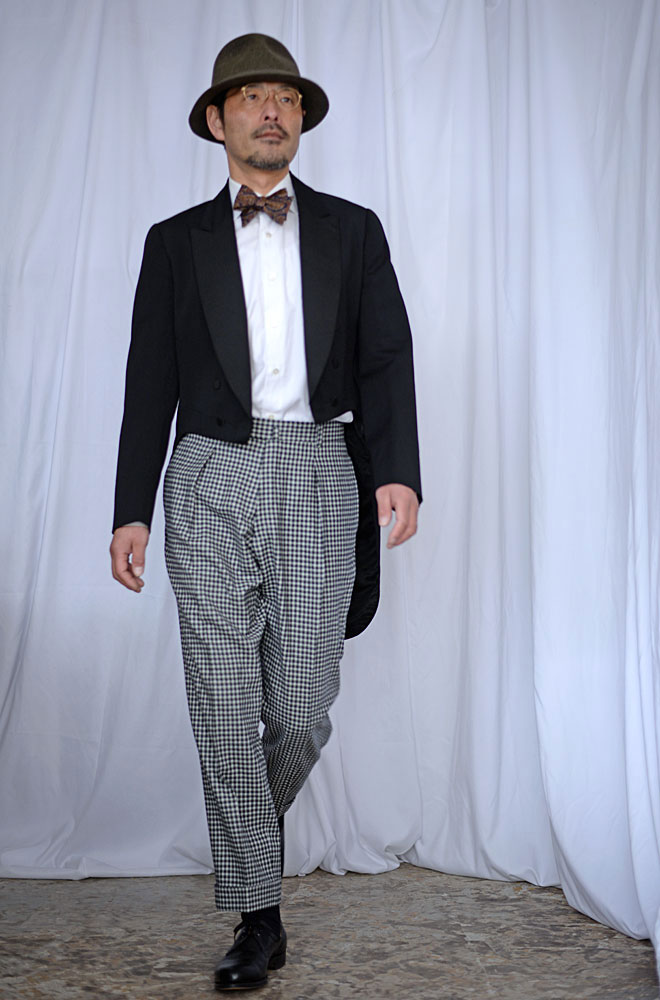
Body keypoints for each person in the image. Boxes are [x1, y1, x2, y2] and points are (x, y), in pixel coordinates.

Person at [110, 32, 421, 992]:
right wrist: (130, 509)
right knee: (221, 700)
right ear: (218, 121)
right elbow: (149, 381)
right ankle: (259, 915)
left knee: (301, 703)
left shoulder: (353, 231)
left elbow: (387, 358)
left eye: (285, 96)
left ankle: (248, 831)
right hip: (207, 470)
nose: (271, 110)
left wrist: (399, 472)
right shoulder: (175, 242)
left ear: (301, 118)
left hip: (321, 466)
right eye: (251, 97)